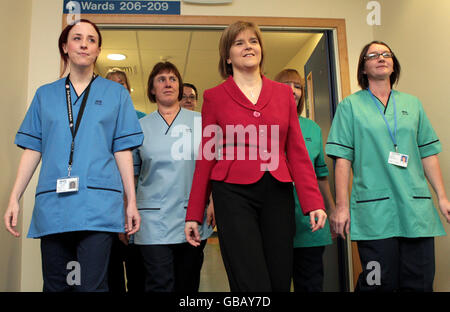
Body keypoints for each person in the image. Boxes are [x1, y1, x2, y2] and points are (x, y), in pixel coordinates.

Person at [184, 21, 327, 292]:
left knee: (279, 277)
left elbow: (296, 151)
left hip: (277, 191)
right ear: (227, 56)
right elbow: (206, 157)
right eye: (239, 43)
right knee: (250, 280)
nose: (248, 46)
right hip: (232, 194)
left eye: (253, 41)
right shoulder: (214, 97)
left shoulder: (283, 93)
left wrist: (313, 202)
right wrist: (195, 213)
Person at [3, 19, 143, 292]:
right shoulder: (45, 95)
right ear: (65, 47)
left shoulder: (116, 95)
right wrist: (14, 197)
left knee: (92, 286)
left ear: (98, 50)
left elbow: (122, 150)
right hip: (54, 204)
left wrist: (131, 202)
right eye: (77, 38)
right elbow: (33, 149)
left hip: (98, 205)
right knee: (56, 286)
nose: (84, 44)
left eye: (91, 40)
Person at [326, 41, 450, 292]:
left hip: (416, 209)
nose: (381, 58)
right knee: (377, 283)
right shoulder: (350, 106)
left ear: (394, 65)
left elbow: (427, 153)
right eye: (372, 55)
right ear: (363, 68)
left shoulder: (413, 104)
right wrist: (341, 206)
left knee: (420, 282)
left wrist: (442, 197)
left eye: (386, 54)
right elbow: (343, 159)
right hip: (374, 214)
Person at [133, 61, 213, 292]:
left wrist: (214, 202)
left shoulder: (202, 122)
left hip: (192, 214)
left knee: (187, 284)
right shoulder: (139, 127)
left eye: (173, 79)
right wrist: (126, 209)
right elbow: (133, 175)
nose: (168, 83)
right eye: (161, 79)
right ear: (151, 89)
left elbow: (214, 169)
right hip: (151, 220)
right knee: (159, 283)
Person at [274, 68, 334, 292]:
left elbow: (321, 176)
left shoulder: (312, 129)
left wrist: (332, 208)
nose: (293, 90)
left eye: (297, 86)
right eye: (286, 85)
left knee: (310, 286)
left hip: (310, 223)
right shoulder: (265, 127)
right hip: (275, 222)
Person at [105, 68, 146, 293]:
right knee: (111, 278)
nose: (118, 85)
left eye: (122, 82)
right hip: (106, 206)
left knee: (138, 275)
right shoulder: (98, 119)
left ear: (128, 88)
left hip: (137, 205)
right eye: (112, 82)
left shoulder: (142, 119)